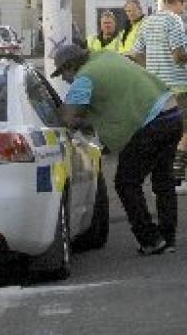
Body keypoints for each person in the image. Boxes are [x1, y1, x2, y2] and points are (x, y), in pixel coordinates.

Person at [52, 44, 182, 254]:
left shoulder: (85, 77)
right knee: (163, 180)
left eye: (62, 72)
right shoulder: (106, 56)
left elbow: (68, 117)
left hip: (151, 124)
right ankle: (168, 238)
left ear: (71, 65)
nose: (64, 78)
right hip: (172, 114)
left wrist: (68, 116)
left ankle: (150, 239)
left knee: (126, 182)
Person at [129, 0, 187, 187]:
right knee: (183, 132)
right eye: (184, 3)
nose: (184, 8)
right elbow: (179, 56)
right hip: (178, 87)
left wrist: (154, 68)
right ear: (179, 1)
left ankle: (163, 180)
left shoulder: (148, 21)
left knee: (163, 133)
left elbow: (136, 54)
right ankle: (177, 178)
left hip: (156, 89)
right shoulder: (175, 20)